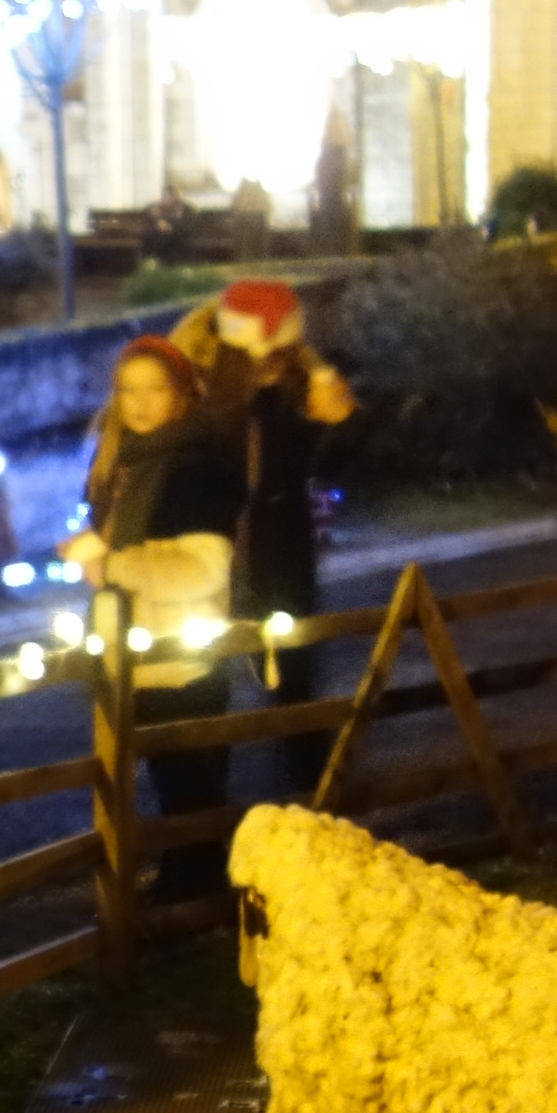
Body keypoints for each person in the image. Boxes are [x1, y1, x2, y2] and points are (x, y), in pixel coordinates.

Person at [60, 335, 245, 897]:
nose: (139, 403)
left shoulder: (199, 464)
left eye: (155, 389)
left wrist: (112, 564)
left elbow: (203, 569)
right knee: (165, 778)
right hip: (135, 650)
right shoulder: (123, 463)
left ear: (183, 394)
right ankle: (187, 884)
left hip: (181, 655)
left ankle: (196, 892)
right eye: (127, 389)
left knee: (190, 780)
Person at [170, 278, 357, 794]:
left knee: (294, 681)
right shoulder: (208, 400)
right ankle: (204, 823)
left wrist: (330, 407)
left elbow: (331, 461)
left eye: (284, 350)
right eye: (268, 350)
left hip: (283, 551)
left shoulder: (297, 393)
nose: (276, 360)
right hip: (216, 553)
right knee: (207, 684)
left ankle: (313, 802)